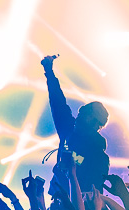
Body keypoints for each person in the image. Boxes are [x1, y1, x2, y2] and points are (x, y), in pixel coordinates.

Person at [41, 55, 110, 194]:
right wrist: (49, 72)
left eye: (86, 113)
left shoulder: (99, 156)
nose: (80, 114)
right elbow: (57, 101)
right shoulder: (68, 129)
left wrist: (74, 161)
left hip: (78, 204)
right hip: (58, 199)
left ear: (96, 122)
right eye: (81, 111)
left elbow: (94, 189)